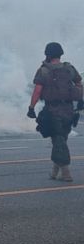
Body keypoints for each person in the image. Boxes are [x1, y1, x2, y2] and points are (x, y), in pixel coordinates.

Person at [27, 42, 83, 182]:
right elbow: (79, 83)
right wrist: (80, 98)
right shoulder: (69, 68)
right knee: (60, 139)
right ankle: (54, 171)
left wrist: (31, 108)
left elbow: (38, 90)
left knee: (58, 140)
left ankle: (65, 172)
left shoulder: (44, 70)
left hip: (53, 110)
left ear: (48, 54)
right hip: (69, 110)